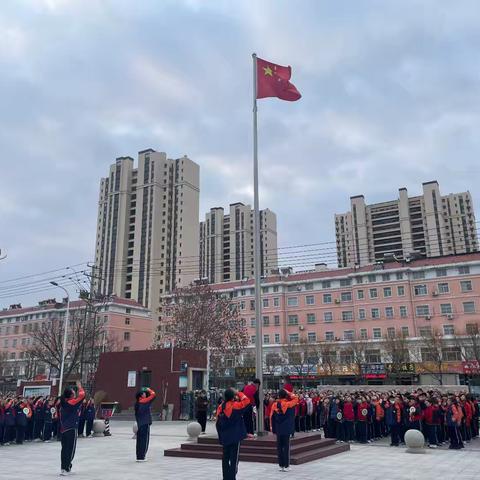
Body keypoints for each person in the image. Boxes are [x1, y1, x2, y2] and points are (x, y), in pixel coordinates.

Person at [216, 388, 249, 480]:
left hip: (225, 436)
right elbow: (246, 401)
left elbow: (217, 423)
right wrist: (238, 392)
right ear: (233, 396)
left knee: (225, 458)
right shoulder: (235, 406)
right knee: (234, 459)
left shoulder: (220, 407)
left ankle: (226, 477)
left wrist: (220, 436)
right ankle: (232, 477)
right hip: (235, 435)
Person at [59, 381, 85, 476]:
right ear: (70, 395)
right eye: (73, 392)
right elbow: (82, 396)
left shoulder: (63, 404)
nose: (75, 393)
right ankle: (66, 468)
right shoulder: (71, 403)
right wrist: (80, 387)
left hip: (64, 429)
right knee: (70, 449)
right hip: (71, 428)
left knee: (64, 449)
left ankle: (64, 468)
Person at [270, 388, 298, 472]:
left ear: (278, 396)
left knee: (279, 447)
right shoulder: (289, 404)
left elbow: (271, 417)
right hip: (286, 429)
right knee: (286, 447)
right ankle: (286, 466)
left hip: (278, 429)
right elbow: (296, 398)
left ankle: (281, 465)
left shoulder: (274, 405)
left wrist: (272, 428)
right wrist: (288, 392)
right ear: (286, 395)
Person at [134, 387, 156, 462]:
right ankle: (142, 456)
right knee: (144, 440)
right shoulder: (145, 401)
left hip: (139, 424)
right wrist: (149, 389)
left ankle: (139, 456)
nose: (145, 394)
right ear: (141, 395)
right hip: (145, 423)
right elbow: (153, 395)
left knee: (139, 441)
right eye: (144, 393)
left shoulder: (137, 403)